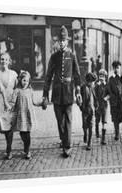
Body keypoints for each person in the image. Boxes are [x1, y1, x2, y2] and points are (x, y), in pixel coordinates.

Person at [42, 25, 82, 158]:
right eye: (60, 41)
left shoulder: (72, 55)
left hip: (69, 92)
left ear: (67, 42)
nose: (62, 43)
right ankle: (63, 139)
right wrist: (45, 94)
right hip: (57, 94)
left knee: (69, 120)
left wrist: (78, 91)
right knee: (60, 121)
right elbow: (48, 76)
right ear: (57, 42)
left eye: (64, 41)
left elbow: (77, 75)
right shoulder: (54, 57)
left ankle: (67, 145)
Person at [12, 71, 42, 159]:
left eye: (27, 81)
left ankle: (27, 150)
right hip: (20, 115)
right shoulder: (17, 91)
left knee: (27, 133)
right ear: (20, 80)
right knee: (22, 133)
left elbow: (34, 102)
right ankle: (26, 146)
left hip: (28, 114)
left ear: (29, 82)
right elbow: (12, 103)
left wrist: (41, 103)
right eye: (24, 80)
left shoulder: (30, 90)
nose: (25, 82)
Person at [0, 53, 18, 160]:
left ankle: (9, 149)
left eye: (6, 59)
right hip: (0, 103)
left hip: (10, 103)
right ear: (0, 61)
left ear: (9, 61)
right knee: (2, 127)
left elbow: (18, 88)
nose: (4, 61)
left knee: (10, 128)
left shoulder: (14, 74)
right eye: (2, 59)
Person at [106, 61, 122, 141]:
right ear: (113, 69)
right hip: (113, 101)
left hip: (120, 100)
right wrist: (111, 97)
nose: (116, 69)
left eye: (118, 68)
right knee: (114, 116)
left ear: (120, 68)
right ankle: (117, 132)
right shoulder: (111, 79)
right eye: (115, 68)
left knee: (121, 114)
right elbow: (109, 89)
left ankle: (117, 125)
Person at [78, 72, 97, 151]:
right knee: (85, 125)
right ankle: (85, 134)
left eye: (92, 82)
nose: (92, 83)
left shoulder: (93, 87)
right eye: (91, 82)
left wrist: (96, 106)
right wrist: (81, 107)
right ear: (87, 81)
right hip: (85, 110)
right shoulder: (83, 87)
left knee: (91, 126)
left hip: (92, 110)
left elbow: (96, 97)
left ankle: (89, 143)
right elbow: (80, 98)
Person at [94, 69, 108, 145]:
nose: (101, 78)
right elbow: (94, 93)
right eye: (100, 76)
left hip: (104, 105)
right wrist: (97, 85)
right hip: (98, 105)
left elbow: (110, 93)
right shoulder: (97, 85)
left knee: (104, 121)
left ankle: (103, 138)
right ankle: (97, 131)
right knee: (97, 119)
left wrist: (107, 97)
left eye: (103, 76)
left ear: (105, 77)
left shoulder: (107, 85)